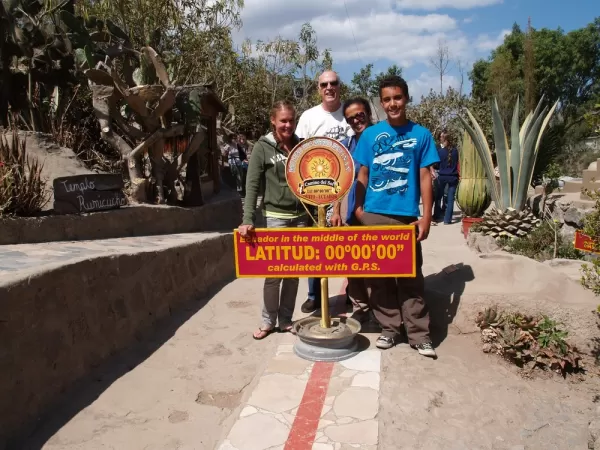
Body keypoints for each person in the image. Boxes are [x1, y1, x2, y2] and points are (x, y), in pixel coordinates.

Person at [353, 75, 439, 357]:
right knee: (379, 278)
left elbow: (425, 176)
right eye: (387, 99)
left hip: (406, 217)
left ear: (407, 98)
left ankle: (418, 334)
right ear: (381, 102)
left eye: (398, 98)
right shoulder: (369, 135)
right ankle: (389, 328)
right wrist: (359, 208)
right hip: (374, 214)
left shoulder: (421, 135)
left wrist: (426, 217)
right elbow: (362, 173)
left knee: (411, 277)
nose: (393, 104)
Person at [238, 101, 308, 340]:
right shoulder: (262, 147)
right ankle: (268, 321)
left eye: (291, 120)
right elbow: (252, 185)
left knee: (293, 271)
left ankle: (286, 319)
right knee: (275, 271)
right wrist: (248, 218)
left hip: (300, 218)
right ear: (273, 120)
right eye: (283, 120)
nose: (288, 125)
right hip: (276, 217)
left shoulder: (301, 146)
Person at [295, 70, 353, 314]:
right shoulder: (308, 116)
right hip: (315, 190)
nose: (329, 87)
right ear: (318, 88)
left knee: (345, 243)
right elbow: (298, 153)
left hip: (345, 189)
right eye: (324, 84)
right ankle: (314, 295)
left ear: (340, 86)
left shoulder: (349, 115)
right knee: (314, 245)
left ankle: (352, 292)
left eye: (333, 83)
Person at [329, 97, 374, 321]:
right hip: (351, 210)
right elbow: (340, 180)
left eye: (360, 115)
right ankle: (361, 307)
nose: (357, 120)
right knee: (354, 262)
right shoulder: (346, 146)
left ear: (368, 113)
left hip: (377, 210)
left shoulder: (381, 138)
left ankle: (381, 308)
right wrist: (336, 210)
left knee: (377, 261)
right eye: (351, 118)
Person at [433, 129, 459, 224]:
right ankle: (447, 220)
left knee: (438, 197)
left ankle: (436, 215)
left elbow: (437, 165)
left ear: (444, 139)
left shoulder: (440, 152)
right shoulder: (455, 151)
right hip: (453, 177)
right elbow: (457, 163)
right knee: (450, 199)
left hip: (442, 177)